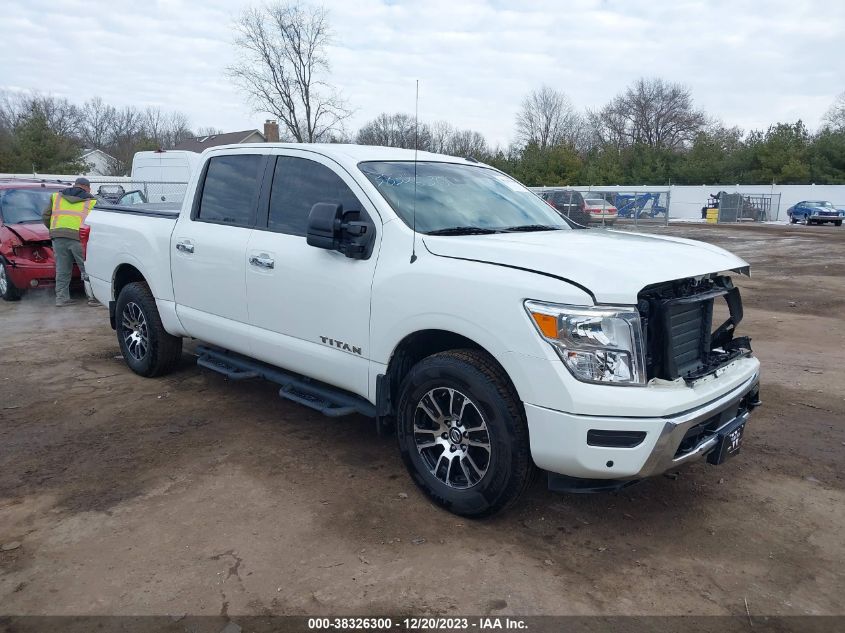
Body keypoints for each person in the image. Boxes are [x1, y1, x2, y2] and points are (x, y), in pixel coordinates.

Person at [42, 177, 99, 307]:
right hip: (79, 238)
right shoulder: (91, 201)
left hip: (58, 237)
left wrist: (54, 229)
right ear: (87, 187)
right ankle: (92, 298)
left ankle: (62, 299)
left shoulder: (56, 197)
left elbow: (45, 216)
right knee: (86, 269)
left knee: (62, 269)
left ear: (75, 185)